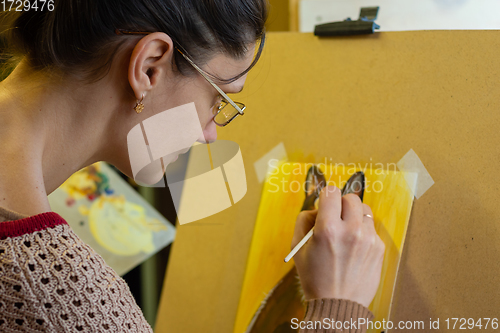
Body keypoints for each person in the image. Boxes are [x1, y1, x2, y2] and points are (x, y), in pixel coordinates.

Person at [0, 0, 385, 332]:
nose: (209, 134)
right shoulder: (55, 291)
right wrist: (338, 309)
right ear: (149, 66)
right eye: (218, 100)